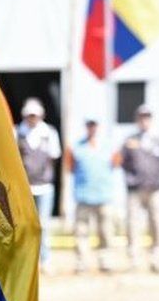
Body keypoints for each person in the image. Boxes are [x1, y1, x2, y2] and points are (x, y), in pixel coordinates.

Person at [118, 104, 159, 273]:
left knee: (156, 223)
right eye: (141, 117)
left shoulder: (157, 139)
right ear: (137, 120)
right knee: (132, 224)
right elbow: (121, 161)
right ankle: (134, 259)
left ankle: (156, 257)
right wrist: (131, 180)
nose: (144, 121)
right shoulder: (130, 140)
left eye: (147, 117)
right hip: (135, 189)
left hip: (154, 188)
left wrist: (158, 182)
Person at [64, 119, 115, 274]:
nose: (92, 128)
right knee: (81, 231)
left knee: (105, 231)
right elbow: (70, 167)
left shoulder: (108, 146)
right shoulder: (76, 147)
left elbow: (116, 164)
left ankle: (105, 260)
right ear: (86, 127)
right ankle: (81, 262)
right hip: (84, 195)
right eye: (89, 125)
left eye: (94, 125)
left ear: (98, 127)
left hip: (104, 195)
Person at [16, 97, 61, 273]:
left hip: (44, 186)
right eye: (30, 115)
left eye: (35, 115)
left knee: (44, 225)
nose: (32, 119)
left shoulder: (49, 133)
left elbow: (54, 158)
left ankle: (45, 259)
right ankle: (27, 261)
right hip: (25, 188)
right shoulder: (17, 132)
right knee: (25, 225)